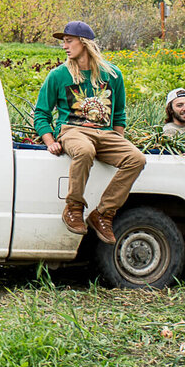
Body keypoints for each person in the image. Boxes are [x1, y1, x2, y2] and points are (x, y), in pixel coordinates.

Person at [34, 20, 146, 244]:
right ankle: (74, 207)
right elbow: (41, 113)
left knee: (136, 158)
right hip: (72, 130)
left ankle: (103, 213)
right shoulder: (58, 75)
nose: (65, 46)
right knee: (84, 150)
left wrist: (117, 141)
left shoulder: (113, 74)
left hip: (105, 133)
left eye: (69, 41)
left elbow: (119, 113)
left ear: (84, 43)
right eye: (63, 42)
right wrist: (49, 141)